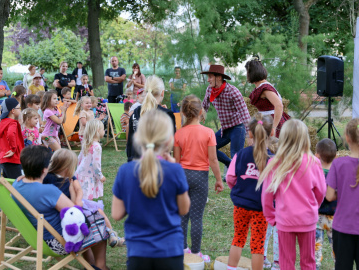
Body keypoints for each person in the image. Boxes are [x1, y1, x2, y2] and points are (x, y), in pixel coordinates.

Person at [112, 109, 191, 270]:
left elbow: (116, 214)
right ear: (169, 140)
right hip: (170, 251)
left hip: (138, 252)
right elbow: (184, 209)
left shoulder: (126, 171)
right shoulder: (175, 170)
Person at [13, 146, 107, 269]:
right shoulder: (49, 191)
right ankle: (101, 266)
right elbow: (77, 214)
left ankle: (90, 265)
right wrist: (73, 193)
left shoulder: (16, 185)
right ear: (44, 170)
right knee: (99, 222)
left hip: (37, 236)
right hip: (58, 241)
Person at [258, 119, 326, 270]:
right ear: (305, 138)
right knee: (308, 262)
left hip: (284, 220)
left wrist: (270, 216)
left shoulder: (275, 163)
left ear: (283, 138)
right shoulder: (314, 162)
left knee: (286, 262)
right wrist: (314, 207)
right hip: (307, 220)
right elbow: (321, 191)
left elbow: (266, 196)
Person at [174, 95, 224, 263]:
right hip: (200, 177)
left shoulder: (179, 133)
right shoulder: (209, 133)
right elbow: (213, 160)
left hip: (182, 177)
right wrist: (218, 179)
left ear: (185, 113)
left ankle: (182, 250)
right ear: (201, 111)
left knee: (182, 216)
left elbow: (176, 161)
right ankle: (195, 254)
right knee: (196, 217)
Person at [43, 148, 125, 247]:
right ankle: (101, 235)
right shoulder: (48, 177)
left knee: (98, 210)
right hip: (65, 210)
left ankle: (111, 233)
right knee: (90, 216)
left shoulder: (70, 177)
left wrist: (78, 200)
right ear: (67, 167)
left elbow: (79, 190)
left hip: (77, 203)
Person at [226, 114, 273, 270]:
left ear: (250, 133)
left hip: (240, 206)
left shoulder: (240, 154)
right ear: (271, 133)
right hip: (261, 209)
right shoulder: (273, 160)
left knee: (238, 239)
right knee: (258, 245)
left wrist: (239, 190)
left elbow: (230, 178)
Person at [325, 118, 359, 270]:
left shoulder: (338, 164)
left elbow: (329, 196)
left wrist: (344, 192)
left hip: (343, 227)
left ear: (348, 138)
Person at [201, 65, 251, 168]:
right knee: (208, 148)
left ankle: (238, 176)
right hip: (225, 128)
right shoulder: (210, 90)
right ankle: (229, 164)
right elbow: (204, 105)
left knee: (236, 155)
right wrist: (201, 115)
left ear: (219, 77)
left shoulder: (233, 91)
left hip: (238, 127)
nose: (208, 80)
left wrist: (250, 135)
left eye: (210, 77)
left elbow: (245, 114)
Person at [127, 75, 176, 162]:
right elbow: (171, 144)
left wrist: (130, 161)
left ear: (145, 92)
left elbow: (130, 143)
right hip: (160, 164)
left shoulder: (135, 113)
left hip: (136, 163)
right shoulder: (167, 115)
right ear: (162, 93)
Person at [246, 59, 290, 138]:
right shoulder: (262, 86)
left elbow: (279, 106)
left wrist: (274, 127)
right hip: (265, 121)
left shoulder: (265, 88)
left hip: (271, 122)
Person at [314, 138, 337, 269]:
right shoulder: (338, 173)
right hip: (334, 218)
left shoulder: (315, 173)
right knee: (337, 251)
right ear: (336, 156)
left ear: (317, 155)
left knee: (316, 250)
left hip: (317, 217)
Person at [0, 98, 24, 179]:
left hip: (4, 158)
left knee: (8, 184)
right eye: (18, 108)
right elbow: (10, 134)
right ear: (13, 110)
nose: (20, 110)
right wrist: (12, 149)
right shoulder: (13, 122)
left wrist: (3, 147)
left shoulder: (2, 123)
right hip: (14, 158)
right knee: (17, 184)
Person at [76, 119, 105, 200]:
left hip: (80, 174)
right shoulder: (97, 147)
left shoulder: (87, 143)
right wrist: (100, 176)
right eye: (103, 129)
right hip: (88, 177)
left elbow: (79, 158)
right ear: (98, 131)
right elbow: (96, 164)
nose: (104, 131)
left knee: (79, 197)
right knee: (87, 199)